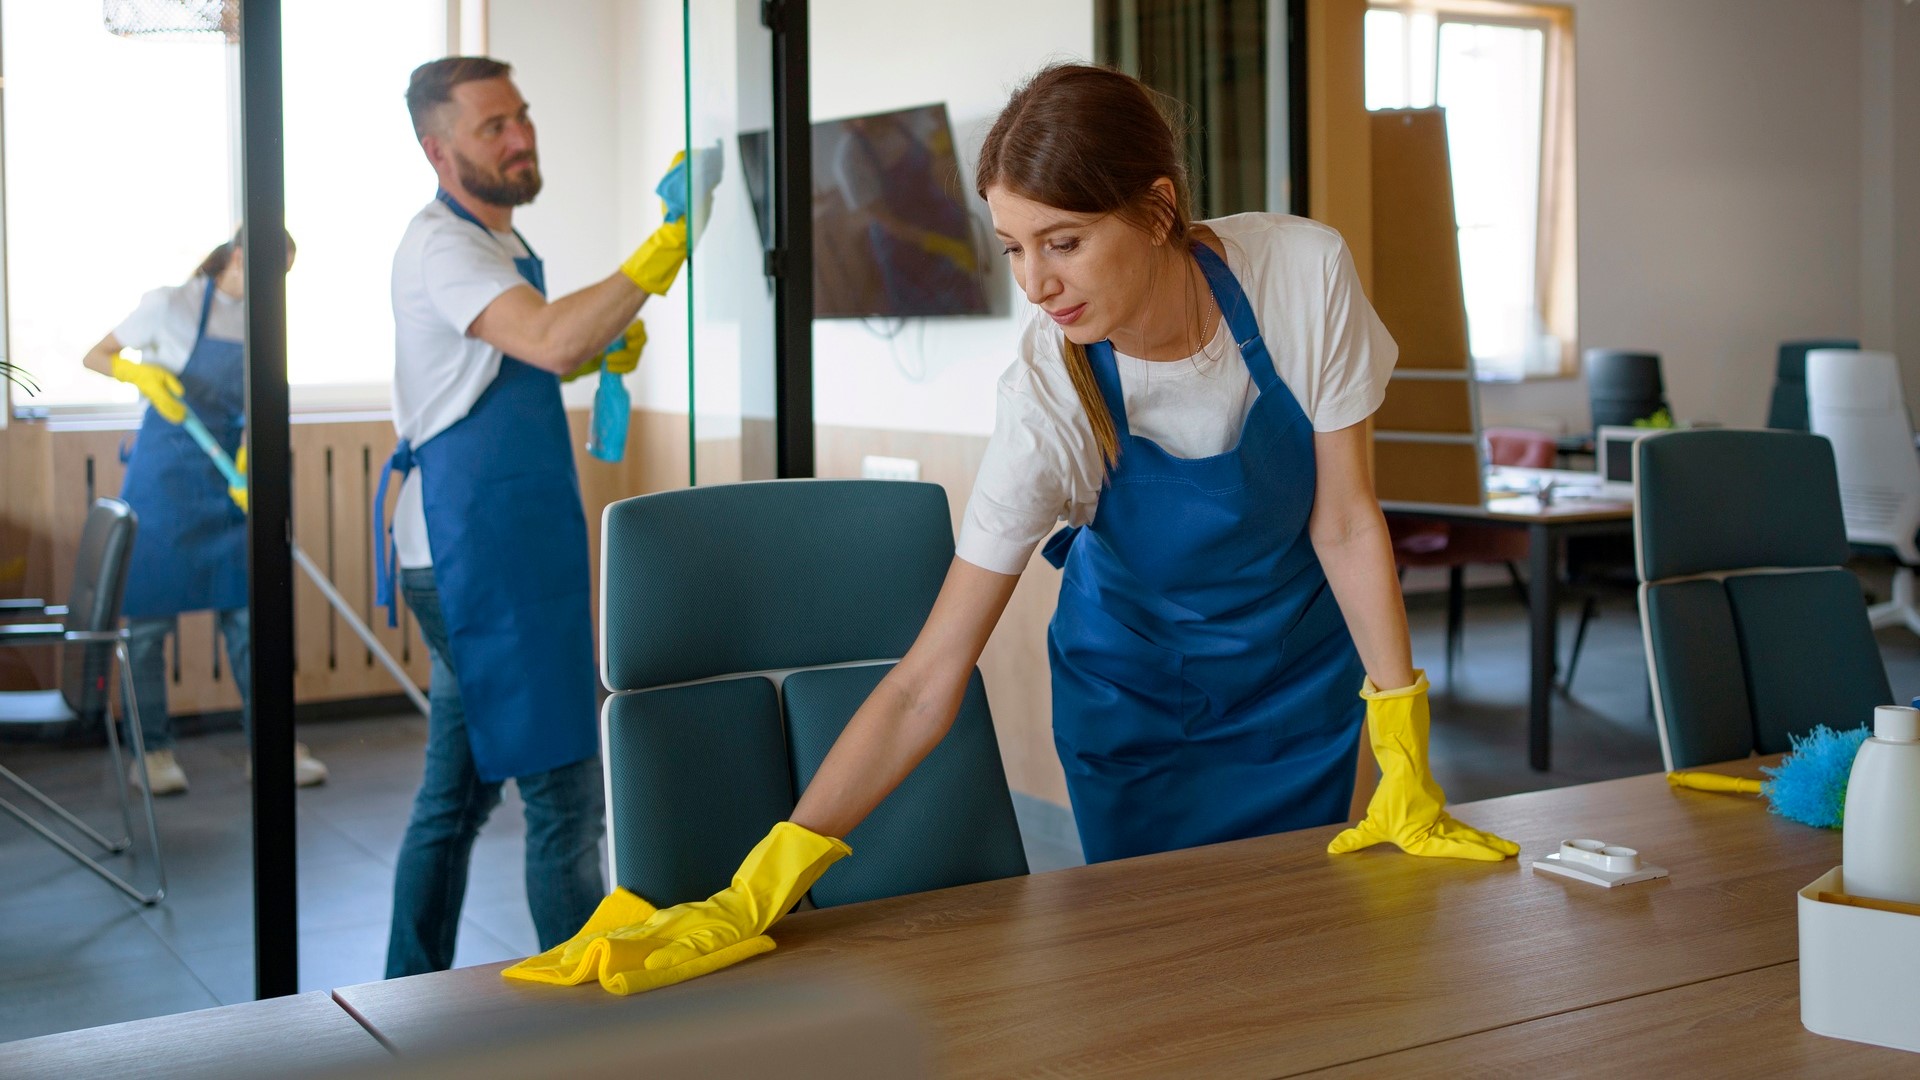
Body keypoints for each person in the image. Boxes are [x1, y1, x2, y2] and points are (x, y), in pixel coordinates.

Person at [506, 63, 1521, 995]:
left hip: (1299, 692)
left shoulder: (1300, 277)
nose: (1034, 285)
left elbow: (1344, 523)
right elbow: (924, 681)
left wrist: (1404, 741)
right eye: (1014, 249)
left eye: (1064, 242)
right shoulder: (1048, 399)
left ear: (1158, 209)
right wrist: (760, 885)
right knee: (1171, 979)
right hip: (1140, 712)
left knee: (1308, 955)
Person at [377, 55, 689, 978]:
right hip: (477, 552)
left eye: (521, 116)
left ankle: (407, 984)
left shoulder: (496, 244)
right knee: (562, 784)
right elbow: (548, 340)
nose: (520, 138)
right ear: (438, 150)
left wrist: (599, 346)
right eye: (492, 127)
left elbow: (509, 359)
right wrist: (662, 247)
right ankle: (583, 1004)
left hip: (500, 541)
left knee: (456, 796)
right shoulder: (445, 244)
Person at [82, 230, 328, 796]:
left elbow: (259, 399)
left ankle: (270, 747)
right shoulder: (170, 303)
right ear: (238, 256)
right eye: (270, 274)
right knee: (147, 629)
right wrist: (135, 373)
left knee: (250, 617)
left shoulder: (262, 322)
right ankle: (155, 754)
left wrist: (250, 459)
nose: (275, 289)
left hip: (228, 484)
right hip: (163, 479)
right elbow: (96, 355)